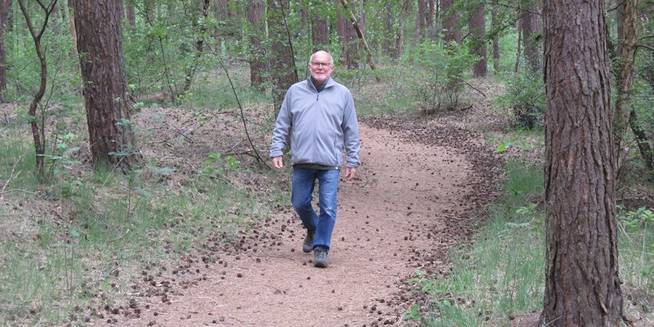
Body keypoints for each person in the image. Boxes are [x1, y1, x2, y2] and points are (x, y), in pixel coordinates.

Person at [269, 50, 360, 268]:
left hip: (330, 163)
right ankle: (313, 227)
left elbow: (351, 129)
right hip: (302, 160)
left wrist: (353, 159)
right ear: (309, 66)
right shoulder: (295, 91)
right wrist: (276, 149)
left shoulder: (343, 94)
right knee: (299, 202)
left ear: (331, 68)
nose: (320, 67)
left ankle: (321, 247)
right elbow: (283, 123)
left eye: (324, 64)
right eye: (316, 64)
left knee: (328, 207)